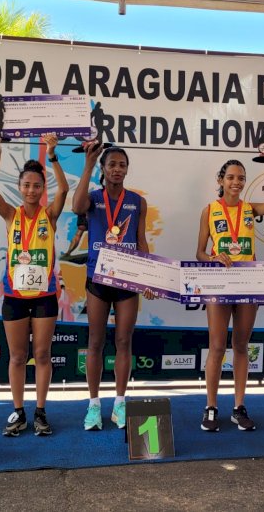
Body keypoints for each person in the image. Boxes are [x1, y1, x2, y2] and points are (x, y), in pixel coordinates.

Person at [195, 147, 264, 432]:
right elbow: (199, 252)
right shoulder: (209, 210)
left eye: (241, 178)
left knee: (240, 346)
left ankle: (238, 407)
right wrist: (212, 258)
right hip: (220, 283)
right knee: (217, 346)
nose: (236, 182)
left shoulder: (251, 209)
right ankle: (211, 407)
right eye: (231, 177)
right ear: (221, 180)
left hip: (248, 281)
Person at [0, 132, 68, 436]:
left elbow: (66, 189)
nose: (32, 190)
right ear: (19, 188)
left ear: (43, 188)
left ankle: (41, 412)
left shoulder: (51, 215)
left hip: (45, 296)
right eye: (27, 185)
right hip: (15, 296)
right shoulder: (10, 215)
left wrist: (52, 154)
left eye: (37, 186)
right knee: (18, 356)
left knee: (42, 355)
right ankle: (18, 412)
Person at [72, 142, 153, 431]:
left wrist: (149, 276)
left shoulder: (137, 201)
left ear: (127, 169)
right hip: (98, 279)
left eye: (122, 165)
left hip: (128, 279)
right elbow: (75, 207)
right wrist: (87, 165)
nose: (117, 169)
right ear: (103, 170)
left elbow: (141, 240)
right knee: (95, 341)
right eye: (112, 165)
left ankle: (120, 401)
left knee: (123, 341)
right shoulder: (93, 198)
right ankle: (94, 405)